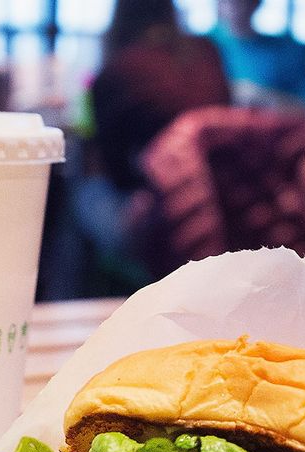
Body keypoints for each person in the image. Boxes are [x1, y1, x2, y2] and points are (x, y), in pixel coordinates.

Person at [71, 0, 230, 293]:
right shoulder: (208, 52)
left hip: (161, 221)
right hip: (227, 210)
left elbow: (117, 172)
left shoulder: (116, 71)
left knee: (80, 191)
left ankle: (75, 302)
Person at [210, 0, 305, 118]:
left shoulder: (290, 51)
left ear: (257, 3)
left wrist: (262, 98)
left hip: (275, 132)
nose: (234, 4)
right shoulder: (202, 46)